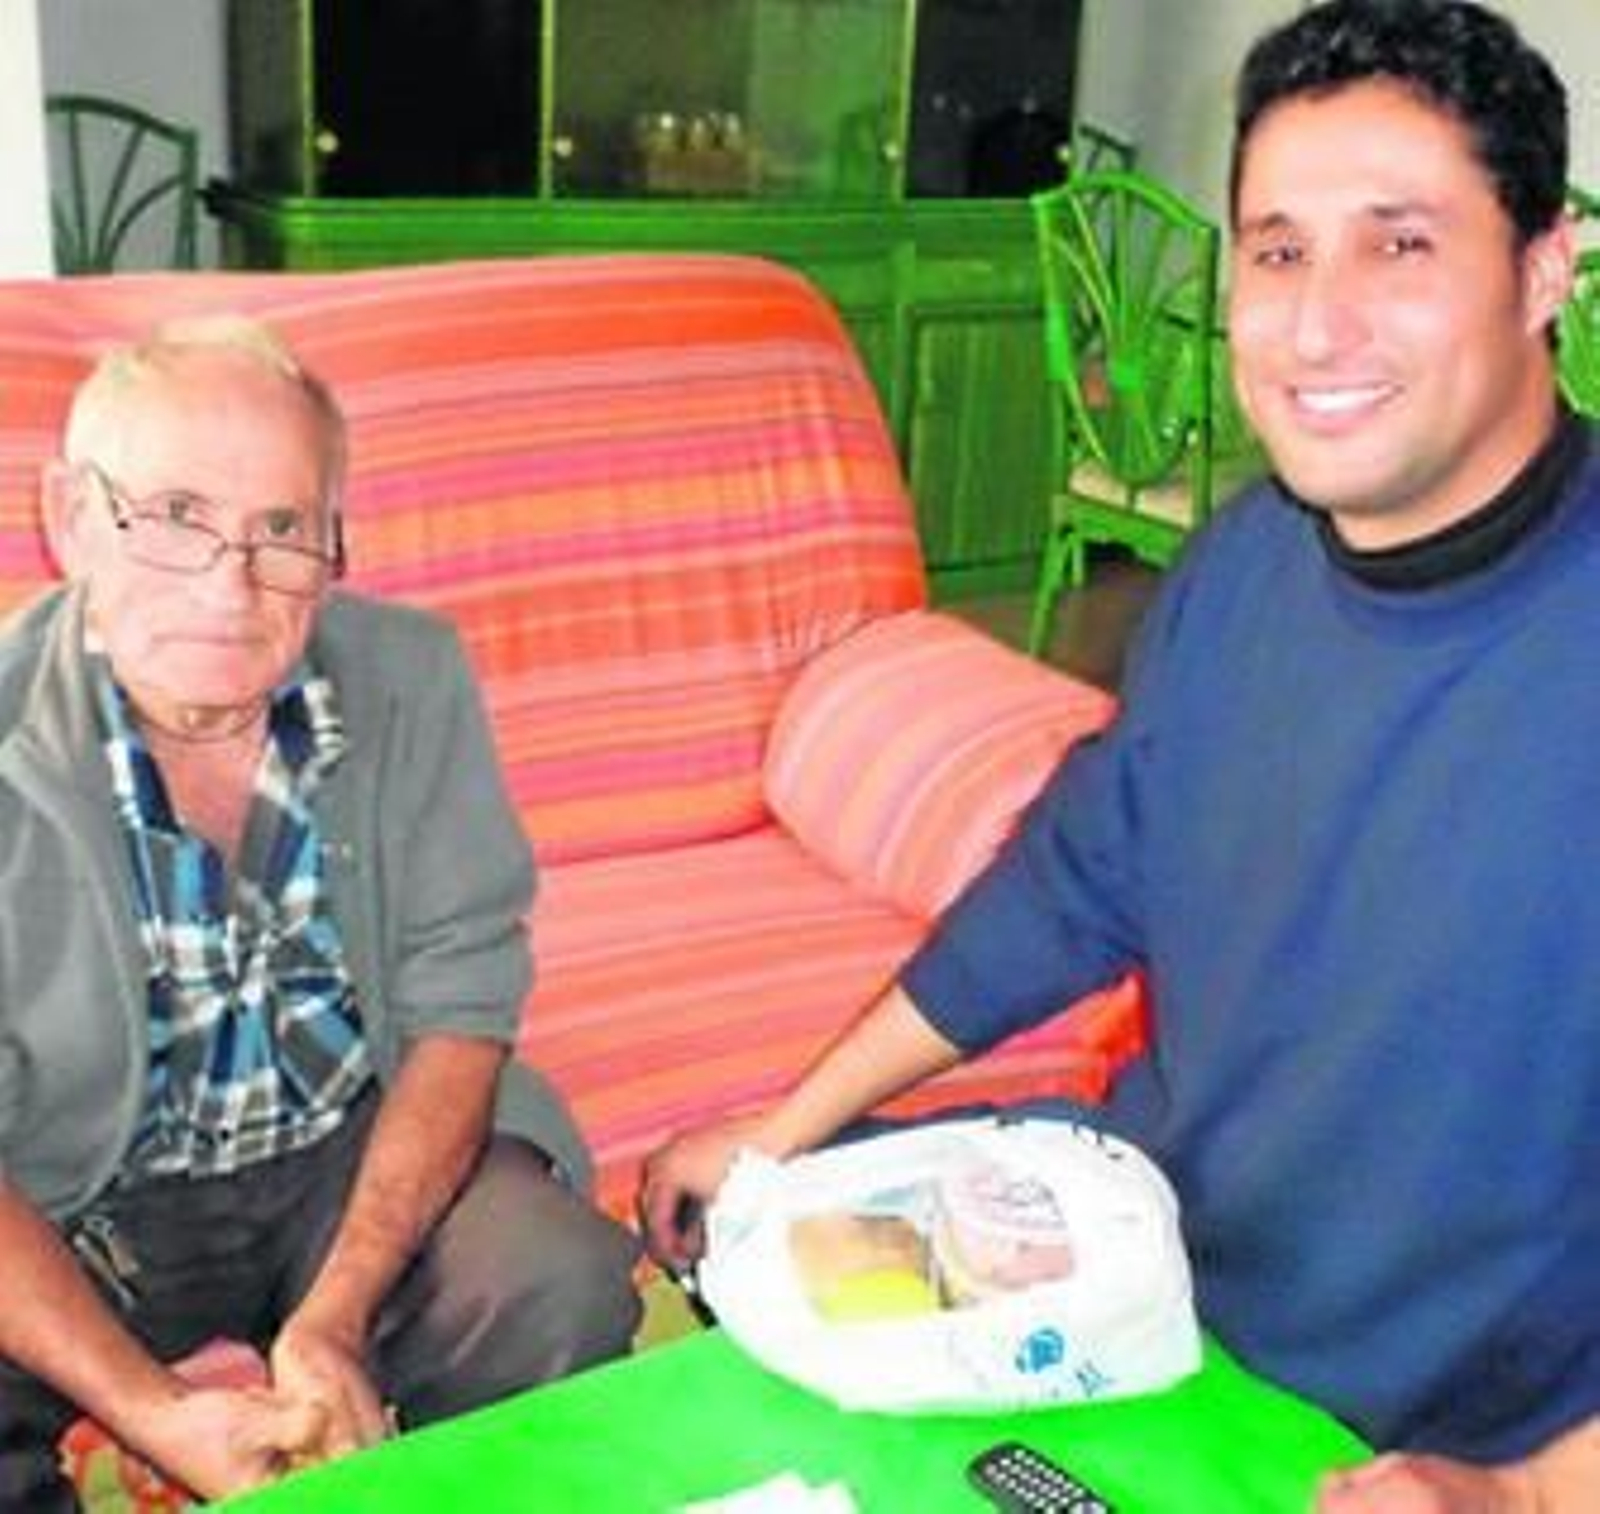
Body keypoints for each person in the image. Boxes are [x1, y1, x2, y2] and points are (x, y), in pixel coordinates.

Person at [641, 2, 1600, 1508]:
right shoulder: (1242, 570)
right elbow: (1070, 884)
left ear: (1545, 269)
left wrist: (1531, 1491)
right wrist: (786, 1130)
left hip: (1425, 1435)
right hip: (1144, 1292)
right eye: (1278, 250)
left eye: (1399, 245)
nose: (1316, 322)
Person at [0, 316, 642, 1511]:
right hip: (77, 1195)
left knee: (556, 1276)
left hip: (347, 1149)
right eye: (177, 513)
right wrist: (156, 1412)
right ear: (72, 515)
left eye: (281, 529)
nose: (229, 583)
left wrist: (339, 1306)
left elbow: (463, 1002)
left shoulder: (413, 679)